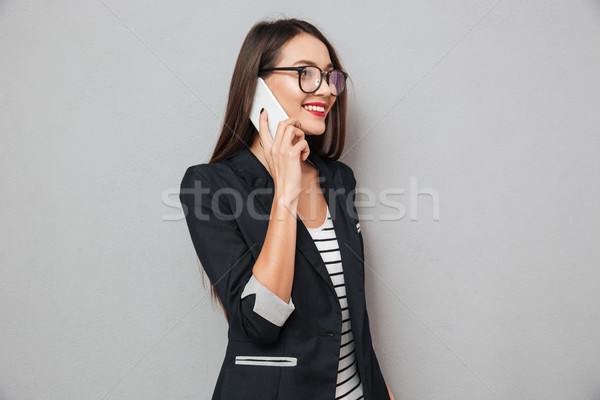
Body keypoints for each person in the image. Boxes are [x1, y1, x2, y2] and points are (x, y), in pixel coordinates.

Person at [179, 17, 395, 400]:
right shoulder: (209, 186)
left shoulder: (338, 179)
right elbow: (259, 322)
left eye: (330, 76)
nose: (326, 89)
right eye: (305, 73)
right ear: (257, 87)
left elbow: (354, 321)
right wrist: (286, 191)